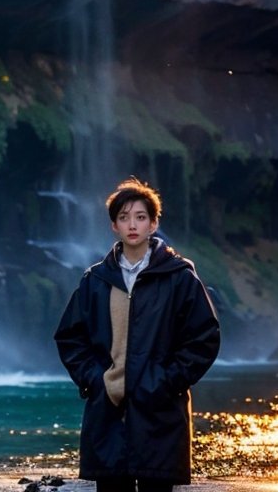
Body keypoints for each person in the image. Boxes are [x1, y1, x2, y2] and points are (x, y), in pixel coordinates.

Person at [54, 177, 221, 492]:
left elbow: (204, 338)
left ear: (154, 224)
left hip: (160, 413)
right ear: (114, 226)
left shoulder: (179, 278)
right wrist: (95, 379)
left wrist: (166, 381)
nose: (133, 224)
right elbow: (70, 338)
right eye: (124, 217)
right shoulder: (95, 280)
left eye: (140, 217)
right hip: (108, 413)